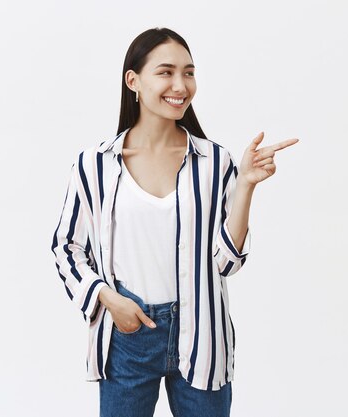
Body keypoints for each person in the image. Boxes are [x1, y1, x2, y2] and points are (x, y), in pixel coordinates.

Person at [50, 27, 298, 417]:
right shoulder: (94, 165)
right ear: (133, 80)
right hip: (127, 334)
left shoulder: (216, 163)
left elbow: (226, 262)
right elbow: (67, 248)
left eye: (189, 72)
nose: (180, 85)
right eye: (165, 72)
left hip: (202, 332)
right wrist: (108, 299)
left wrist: (246, 185)